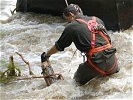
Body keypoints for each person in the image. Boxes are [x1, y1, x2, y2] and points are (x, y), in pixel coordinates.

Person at [41, 4, 120, 85]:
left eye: (67, 19)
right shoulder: (96, 19)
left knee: (75, 84)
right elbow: (108, 40)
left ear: (71, 15)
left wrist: (46, 55)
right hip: (113, 62)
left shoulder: (71, 27)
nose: (68, 22)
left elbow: (58, 46)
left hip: (96, 64)